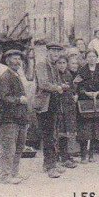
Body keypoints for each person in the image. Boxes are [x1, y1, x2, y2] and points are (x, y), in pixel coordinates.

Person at [0, 48, 30, 184]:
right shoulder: (5, 77)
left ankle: (14, 173)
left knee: (19, 147)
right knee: (8, 148)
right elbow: (4, 97)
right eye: (14, 59)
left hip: (19, 118)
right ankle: (5, 176)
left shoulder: (16, 75)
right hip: (9, 119)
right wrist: (18, 100)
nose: (17, 62)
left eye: (19, 59)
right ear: (8, 61)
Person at [34, 42, 66, 178]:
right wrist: (58, 88)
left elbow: (54, 82)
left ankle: (49, 163)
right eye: (53, 52)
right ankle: (50, 166)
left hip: (53, 102)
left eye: (58, 53)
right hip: (44, 104)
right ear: (48, 52)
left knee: (53, 134)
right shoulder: (42, 65)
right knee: (48, 135)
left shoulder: (54, 66)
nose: (56, 55)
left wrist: (61, 85)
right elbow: (43, 84)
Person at [75, 48, 99, 162]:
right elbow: (78, 85)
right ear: (86, 58)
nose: (92, 59)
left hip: (98, 102)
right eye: (89, 57)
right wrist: (85, 93)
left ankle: (92, 154)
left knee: (95, 129)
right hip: (85, 102)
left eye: (94, 56)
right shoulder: (81, 71)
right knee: (84, 129)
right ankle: (83, 155)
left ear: (97, 57)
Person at [53, 54, 78, 168]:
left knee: (67, 131)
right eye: (59, 63)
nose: (62, 65)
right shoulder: (54, 75)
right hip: (58, 106)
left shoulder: (68, 74)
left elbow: (72, 88)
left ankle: (65, 155)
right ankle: (58, 156)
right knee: (58, 131)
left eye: (64, 63)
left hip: (68, 106)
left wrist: (74, 95)